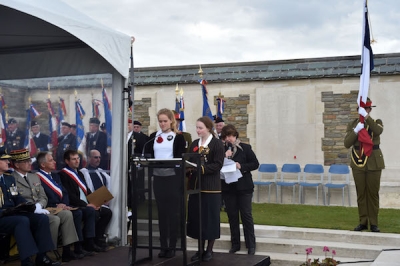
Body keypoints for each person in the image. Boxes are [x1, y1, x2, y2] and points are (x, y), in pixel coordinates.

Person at [10, 149, 81, 262]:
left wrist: (39, 205)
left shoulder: (33, 176)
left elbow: (43, 196)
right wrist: (34, 208)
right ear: (17, 164)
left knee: (67, 214)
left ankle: (67, 250)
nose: (30, 163)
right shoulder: (11, 178)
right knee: (54, 220)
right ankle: (44, 252)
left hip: (42, 208)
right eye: (26, 161)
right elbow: (16, 198)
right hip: (27, 211)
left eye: (29, 160)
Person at [0, 147, 60, 266]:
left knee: (41, 219)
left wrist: (29, 206)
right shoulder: (11, 177)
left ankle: (42, 257)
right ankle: (26, 260)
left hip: (13, 214)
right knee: (21, 221)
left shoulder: (8, 178)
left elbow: (17, 197)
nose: (8, 162)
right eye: (4, 160)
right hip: (3, 215)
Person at [144, 108, 186, 258]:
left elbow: (181, 158)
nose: (162, 124)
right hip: (158, 177)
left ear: (171, 121)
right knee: (161, 213)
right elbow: (146, 154)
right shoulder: (153, 137)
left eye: (165, 121)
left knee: (173, 213)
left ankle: (173, 245)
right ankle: (163, 246)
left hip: (173, 178)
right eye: (160, 121)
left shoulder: (178, 137)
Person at [36, 151, 92, 259]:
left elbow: (65, 192)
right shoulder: (37, 177)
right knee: (74, 213)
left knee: (74, 213)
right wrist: (57, 204)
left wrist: (65, 204)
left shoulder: (55, 176)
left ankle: (68, 250)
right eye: (51, 160)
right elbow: (43, 196)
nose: (54, 162)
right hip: (49, 207)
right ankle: (67, 248)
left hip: (62, 207)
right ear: (43, 164)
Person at [186, 116, 224, 262]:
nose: (198, 130)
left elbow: (218, 164)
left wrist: (201, 169)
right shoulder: (195, 143)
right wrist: (188, 169)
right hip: (196, 186)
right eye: (196, 127)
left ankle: (209, 249)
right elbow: (189, 160)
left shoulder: (216, 144)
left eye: (200, 128)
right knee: (198, 219)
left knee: (210, 219)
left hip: (211, 187)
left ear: (208, 128)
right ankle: (200, 249)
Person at [344, 97, 384, 233]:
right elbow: (347, 143)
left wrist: (366, 118)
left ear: (369, 110)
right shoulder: (353, 124)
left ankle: (373, 223)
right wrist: (356, 130)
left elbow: (377, 131)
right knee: (361, 193)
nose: (364, 111)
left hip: (373, 162)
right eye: (362, 109)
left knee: (372, 193)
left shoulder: (376, 122)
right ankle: (363, 222)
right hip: (358, 161)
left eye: (366, 109)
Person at [220, 124, 259, 255]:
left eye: (231, 135)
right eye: (226, 136)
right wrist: (224, 157)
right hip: (228, 188)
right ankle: (235, 244)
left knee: (246, 215)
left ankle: (251, 245)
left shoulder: (245, 148)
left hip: (244, 187)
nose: (229, 139)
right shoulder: (221, 150)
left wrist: (241, 166)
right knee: (232, 216)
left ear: (235, 136)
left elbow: (255, 164)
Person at [59, 150, 107, 252]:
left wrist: (96, 202)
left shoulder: (79, 173)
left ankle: (97, 239)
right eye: (74, 159)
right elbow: (70, 196)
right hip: (76, 204)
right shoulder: (63, 174)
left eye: (78, 158)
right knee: (90, 211)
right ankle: (88, 242)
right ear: (67, 161)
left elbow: (87, 190)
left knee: (107, 212)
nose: (77, 161)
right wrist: (87, 205)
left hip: (86, 203)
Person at [80, 149, 113, 248]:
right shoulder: (83, 172)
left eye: (99, 157)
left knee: (108, 213)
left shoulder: (101, 172)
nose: (98, 159)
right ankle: (89, 241)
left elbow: (110, 184)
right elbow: (84, 189)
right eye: (95, 157)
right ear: (89, 158)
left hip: (101, 202)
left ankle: (99, 238)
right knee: (95, 213)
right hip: (89, 202)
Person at [127, 118, 149, 207]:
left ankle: (139, 199)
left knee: (138, 183)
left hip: (136, 163)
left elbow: (142, 150)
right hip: (125, 164)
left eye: (129, 124)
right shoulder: (121, 136)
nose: (127, 126)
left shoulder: (138, 136)